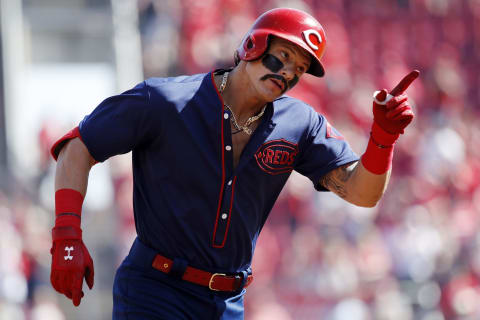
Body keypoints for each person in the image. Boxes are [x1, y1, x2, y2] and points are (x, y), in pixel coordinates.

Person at [48, 7, 418, 319]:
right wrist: (67, 236)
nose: (287, 72)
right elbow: (78, 147)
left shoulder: (300, 123)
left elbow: (362, 193)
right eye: (283, 56)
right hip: (154, 290)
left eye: (299, 68)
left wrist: (382, 138)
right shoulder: (164, 99)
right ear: (252, 45)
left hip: (226, 302)